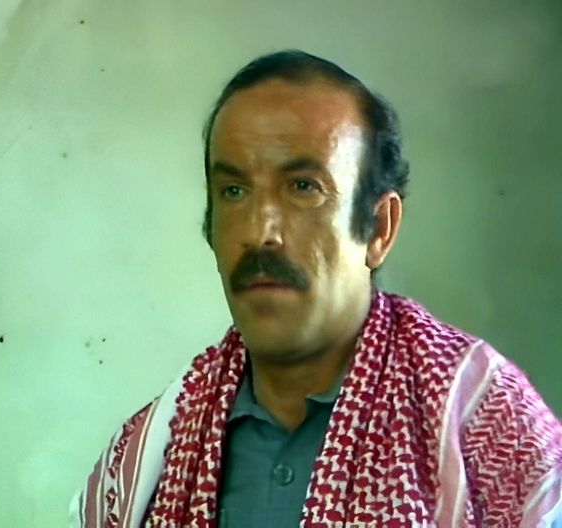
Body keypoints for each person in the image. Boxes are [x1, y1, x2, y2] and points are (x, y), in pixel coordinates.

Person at [70, 50, 562, 527]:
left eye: (303, 187)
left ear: (379, 228)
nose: (260, 231)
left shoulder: (492, 430)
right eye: (234, 191)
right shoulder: (147, 460)